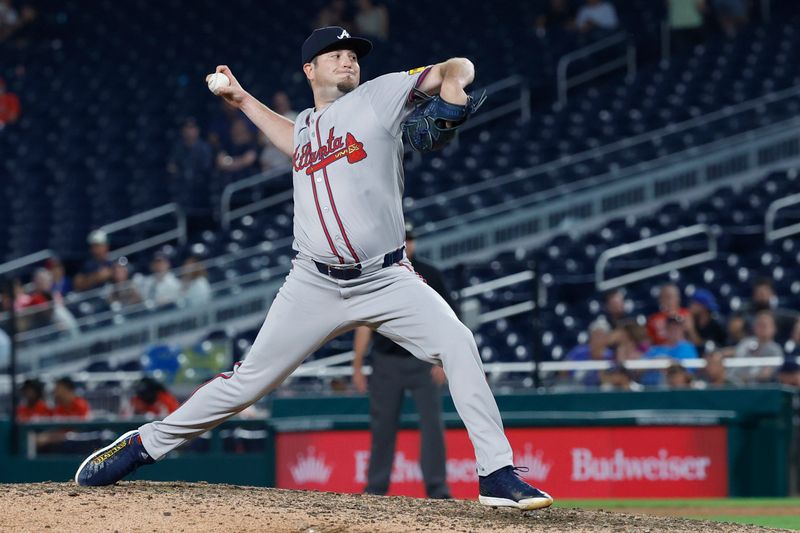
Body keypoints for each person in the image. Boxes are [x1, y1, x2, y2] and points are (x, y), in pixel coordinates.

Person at [75, 26, 553, 511]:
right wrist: (242, 99)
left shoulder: (380, 94)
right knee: (246, 383)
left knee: (458, 342)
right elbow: (290, 136)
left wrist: (453, 86)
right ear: (310, 69)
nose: (348, 60)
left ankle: (496, 473)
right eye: (335, 55)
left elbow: (459, 64)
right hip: (313, 283)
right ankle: (143, 444)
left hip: (385, 277)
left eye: (352, 54)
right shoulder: (305, 125)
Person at [351, 223, 451, 499]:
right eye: (403, 238)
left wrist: (442, 360)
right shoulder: (378, 275)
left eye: (410, 238)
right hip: (386, 361)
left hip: (422, 360)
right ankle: (376, 489)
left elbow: (446, 320)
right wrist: (357, 365)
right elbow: (363, 323)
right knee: (382, 427)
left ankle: (438, 490)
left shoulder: (430, 274)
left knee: (432, 427)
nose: (407, 243)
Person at [167, 117, 214, 212]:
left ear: (197, 130)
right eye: (187, 128)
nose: (189, 131)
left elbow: (206, 168)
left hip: (201, 190)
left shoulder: (204, 148)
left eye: (192, 127)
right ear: (182, 131)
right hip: (183, 189)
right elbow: (171, 167)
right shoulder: (178, 148)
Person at [642, 314, 699, 385]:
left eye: (677, 328)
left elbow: (685, 370)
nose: (674, 331)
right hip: (650, 388)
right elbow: (642, 367)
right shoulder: (656, 348)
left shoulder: (687, 347)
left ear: (682, 329)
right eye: (671, 328)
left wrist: (663, 361)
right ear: (666, 330)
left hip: (677, 387)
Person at [733, 310, 784, 382]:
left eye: (765, 325)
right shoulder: (746, 343)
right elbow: (736, 367)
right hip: (739, 385)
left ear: (774, 328)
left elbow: (766, 374)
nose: (762, 328)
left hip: (763, 388)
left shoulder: (775, 349)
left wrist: (747, 376)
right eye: (759, 325)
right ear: (754, 327)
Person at [744, 278, 799, 342]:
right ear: (754, 295)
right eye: (759, 292)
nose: (762, 295)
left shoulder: (778, 314)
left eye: (765, 292)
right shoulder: (746, 314)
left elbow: (797, 317)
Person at [563, 318, 614, 387]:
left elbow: (609, 378)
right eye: (594, 335)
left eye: (600, 336)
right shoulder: (578, 351)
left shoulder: (610, 355)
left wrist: (599, 358)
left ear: (606, 338)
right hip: (575, 388)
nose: (596, 340)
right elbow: (563, 371)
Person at [685, 288, 726, 353]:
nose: (691, 306)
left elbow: (705, 347)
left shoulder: (716, 324)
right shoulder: (693, 320)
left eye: (694, 303)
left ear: (703, 307)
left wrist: (691, 330)